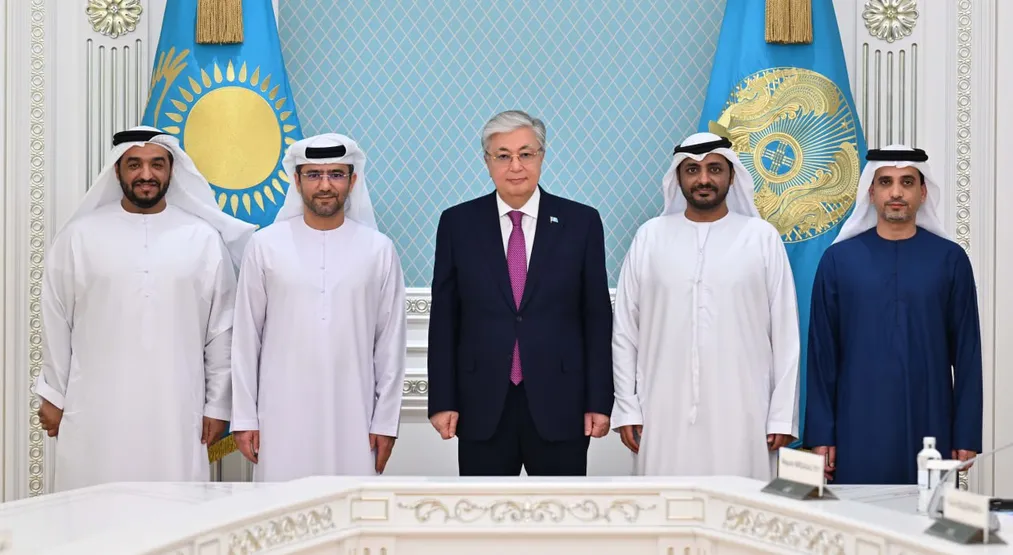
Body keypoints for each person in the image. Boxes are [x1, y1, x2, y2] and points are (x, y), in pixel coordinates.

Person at [34, 126, 255, 492]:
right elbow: (56, 320)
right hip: (95, 410)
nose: (146, 174)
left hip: (175, 409)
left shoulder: (202, 238)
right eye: (134, 164)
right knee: (93, 508)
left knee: (173, 507)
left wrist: (217, 405)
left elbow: (221, 330)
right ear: (117, 170)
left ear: (171, 170)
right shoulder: (78, 237)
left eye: (157, 164)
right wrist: (53, 395)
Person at [427, 110, 614, 476]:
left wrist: (599, 401)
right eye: (503, 155)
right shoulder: (457, 223)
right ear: (487, 162)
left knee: (561, 510)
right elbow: (445, 319)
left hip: (562, 401)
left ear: (541, 157)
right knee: (483, 510)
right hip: (481, 403)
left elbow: (596, 317)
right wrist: (442, 400)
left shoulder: (581, 222)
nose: (515, 166)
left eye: (526, 154)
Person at [611, 132, 800, 480]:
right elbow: (625, 331)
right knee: (665, 503)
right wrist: (627, 408)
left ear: (732, 175)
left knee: (743, 502)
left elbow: (786, 334)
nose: (703, 179)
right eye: (692, 170)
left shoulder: (761, 238)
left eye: (714, 169)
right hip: (662, 409)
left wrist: (781, 416)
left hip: (745, 410)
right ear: (678, 177)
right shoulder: (650, 237)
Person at [230, 134, 406, 481]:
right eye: (313, 175)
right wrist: (245, 418)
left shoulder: (379, 250)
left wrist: (386, 422)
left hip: (356, 419)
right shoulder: (264, 246)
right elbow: (246, 339)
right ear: (297, 181)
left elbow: (390, 344)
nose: (325, 185)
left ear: (352, 181)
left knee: (352, 507)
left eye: (336, 174)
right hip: (279, 418)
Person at [804, 145, 982, 484]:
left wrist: (966, 435)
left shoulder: (950, 260)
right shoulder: (838, 261)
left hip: (931, 421)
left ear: (923, 192)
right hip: (856, 422)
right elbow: (822, 354)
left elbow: (967, 354)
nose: (896, 192)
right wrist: (821, 434)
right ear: (871, 192)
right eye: (885, 182)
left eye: (907, 182)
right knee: (859, 513)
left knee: (928, 512)